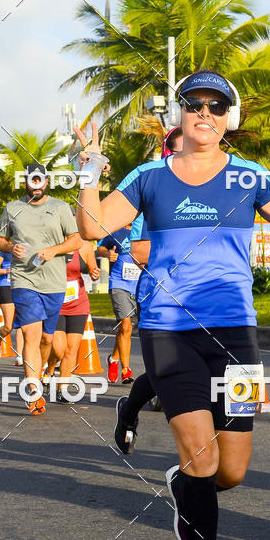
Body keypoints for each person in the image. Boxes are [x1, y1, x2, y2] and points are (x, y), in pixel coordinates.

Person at [75, 70, 270, 540]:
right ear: (180, 114)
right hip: (168, 329)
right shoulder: (148, 177)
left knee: (230, 471)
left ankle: (184, 483)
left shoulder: (248, 176)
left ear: (229, 117)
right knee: (203, 459)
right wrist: (87, 171)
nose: (204, 112)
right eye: (194, 103)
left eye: (216, 105)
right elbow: (91, 228)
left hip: (235, 331)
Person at [115, 127, 184, 453]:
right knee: (165, 372)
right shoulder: (152, 199)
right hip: (160, 296)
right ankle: (129, 411)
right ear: (167, 156)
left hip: (205, 298)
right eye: (180, 153)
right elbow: (139, 251)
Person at [0, 161, 82, 415]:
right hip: (23, 279)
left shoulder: (60, 207)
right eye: (32, 179)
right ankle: (33, 391)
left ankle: (40, 372)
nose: (36, 184)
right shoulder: (12, 208)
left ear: (46, 182)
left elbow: (75, 240)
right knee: (31, 334)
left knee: (47, 339)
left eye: (40, 179)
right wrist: (10, 247)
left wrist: (54, 250)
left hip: (54, 282)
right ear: (25, 182)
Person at [44, 240, 100, 398]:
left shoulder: (85, 247)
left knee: (71, 349)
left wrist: (95, 274)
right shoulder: (51, 243)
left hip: (78, 304)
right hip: (55, 304)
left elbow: (93, 270)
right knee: (58, 349)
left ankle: (62, 389)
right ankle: (50, 370)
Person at [97, 221, 141, 384]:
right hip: (119, 284)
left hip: (139, 286)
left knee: (125, 329)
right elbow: (100, 248)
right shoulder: (115, 229)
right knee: (126, 326)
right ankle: (126, 370)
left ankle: (114, 358)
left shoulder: (144, 229)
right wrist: (108, 254)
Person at [0, 251, 23, 366]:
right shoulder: (4, 251)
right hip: (6, 286)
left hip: (22, 287)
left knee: (22, 323)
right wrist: (6, 271)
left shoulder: (28, 248)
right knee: (8, 327)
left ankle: (19, 355)